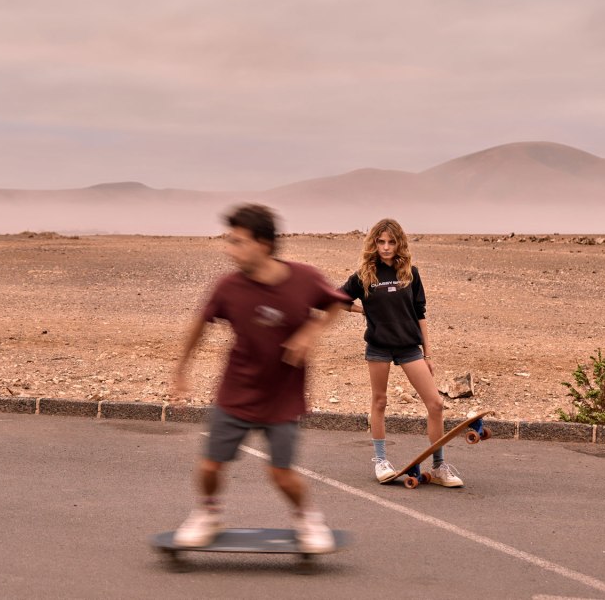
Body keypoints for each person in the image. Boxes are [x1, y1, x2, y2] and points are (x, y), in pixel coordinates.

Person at [171, 203, 349, 552]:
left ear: (264, 245)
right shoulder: (227, 287)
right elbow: (198, 326)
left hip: (282, 397)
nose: (229, 249)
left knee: (281, 474)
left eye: (238, 242)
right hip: (237, 390)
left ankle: (307, 519)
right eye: (229, 240)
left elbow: (336, 303)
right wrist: (180, 371)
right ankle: (208, 514)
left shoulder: (304, 278)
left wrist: (310, 333)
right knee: (210, 466)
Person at [339, 218, 464, 487]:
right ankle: (381, 461)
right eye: (381, 242)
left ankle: (439, 466)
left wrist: (428, 355)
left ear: (400, 244)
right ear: (374, 243)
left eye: (391, 242)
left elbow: (420, 314)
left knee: (436, 404)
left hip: (409, 346)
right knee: (380, 402)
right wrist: (363, 310)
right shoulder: (364, 276)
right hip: (379, 346)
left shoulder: (411, 273)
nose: (386, 247)